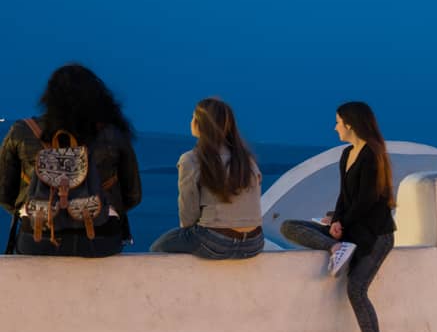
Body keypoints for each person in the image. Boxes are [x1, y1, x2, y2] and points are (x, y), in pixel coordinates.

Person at [279, 101, 397, 332]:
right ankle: (336, 248)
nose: (335, 128)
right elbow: (345, 196)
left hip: (374, 235)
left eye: (338, 122)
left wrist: (342, 222)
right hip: (349, 233)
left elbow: (368, 200)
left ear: (351, 124)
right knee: (289, 226)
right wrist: (335, 224)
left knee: (356, 290)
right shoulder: (347, 154)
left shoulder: (373, 154)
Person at [0, 63, 141, 257]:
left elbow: (4, 194)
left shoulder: (22, 131)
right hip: (100, 240)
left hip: (37, 238)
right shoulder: (112, 134)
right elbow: (133, 196)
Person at [149, 98, 264, 259]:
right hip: (254, 243)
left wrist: (189, 235)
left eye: (193, 117)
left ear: (199, 123)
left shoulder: (192, 159)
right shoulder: (247, 160)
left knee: (157, 247)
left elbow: (188, 214)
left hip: (215, 242)